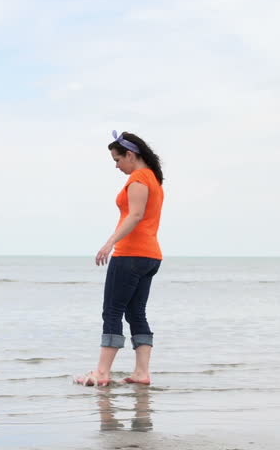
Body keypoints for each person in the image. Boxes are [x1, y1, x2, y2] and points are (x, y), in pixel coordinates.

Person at [76, 131, 165, 387]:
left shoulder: (139, 179)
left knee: (112, 311)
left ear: (130, 155)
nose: (116, 166)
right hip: (150, 256)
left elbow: (135, 215)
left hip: (131, 254)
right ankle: (141, 373)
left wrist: (109, 243)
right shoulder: (154, 179)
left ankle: (102, 373)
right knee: (136, 313)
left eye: (117, 160)